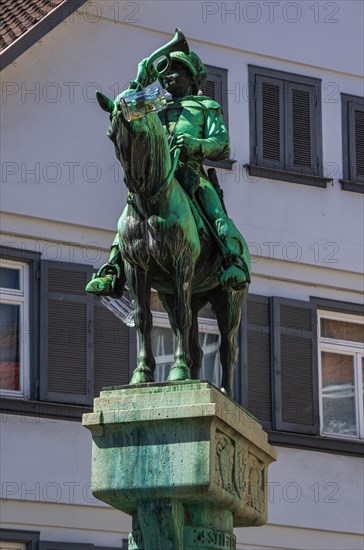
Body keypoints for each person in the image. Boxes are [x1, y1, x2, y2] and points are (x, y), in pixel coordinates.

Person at [86, 50, 250, 297]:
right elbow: (124, 109)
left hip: (191, 174)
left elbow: (222, 145)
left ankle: (233, 261)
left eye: (179, 70)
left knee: (215, 212)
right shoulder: (154, 102)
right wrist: (140, 79)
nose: (171, 76)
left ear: (193, 77)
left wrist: (195, 144)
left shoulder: (206, 106)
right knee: (129, 216)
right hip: (156, 176)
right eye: (167, 72)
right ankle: (113, 269)